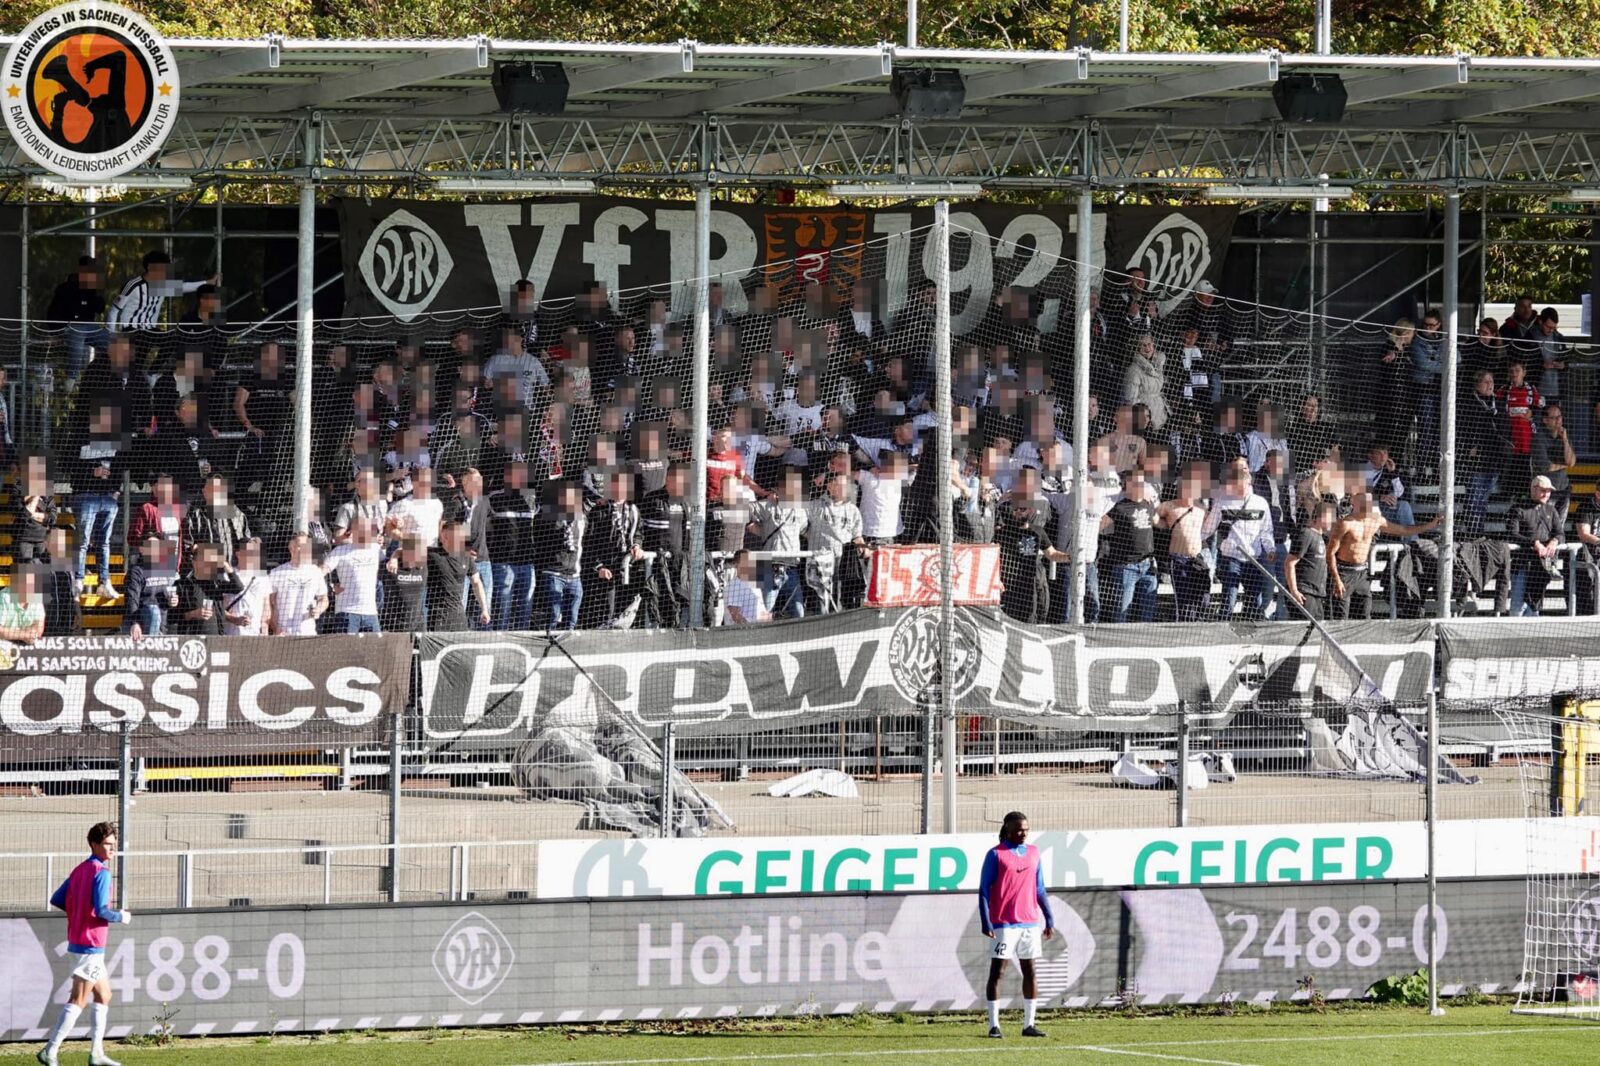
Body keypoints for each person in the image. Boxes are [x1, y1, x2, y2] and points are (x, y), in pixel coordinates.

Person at [38, 821, 130, 1066]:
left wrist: (77, 911)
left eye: (114, 844)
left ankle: (96, 1054)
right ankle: (50, 1050)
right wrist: (121, 915)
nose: (112, 849)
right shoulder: (102, 872)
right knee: (78, 1000)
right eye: (107, 844)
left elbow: (57, 898)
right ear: (94, 844)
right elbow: (102, 910)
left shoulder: (79, 870)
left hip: (81, 943)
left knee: (105, 995)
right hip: (89, 946)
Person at [978, 811, 1054, 1040]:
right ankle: (994, 1026)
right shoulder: (995, 855)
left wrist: (1049, 918)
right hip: (1004, 923)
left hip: (1029, 923)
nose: (1024, 833)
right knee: (998, 972)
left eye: (1027, 829)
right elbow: (983, 891)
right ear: (1008, 829)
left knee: (1030, 971)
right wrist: (986, 921)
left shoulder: (1033, 853)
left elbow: (1039, 888)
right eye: (1019, 829)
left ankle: (1029, 1024)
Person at [1327, 491, 1441, 620]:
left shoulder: (1375, 521)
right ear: (1355, 503)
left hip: (1362, 572)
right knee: (1341, 616)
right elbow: (1330, 553)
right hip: (1344, 572)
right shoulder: (1345, 523)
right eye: (1364, 502)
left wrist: (1430, 525)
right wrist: (1336, 579)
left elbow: (1403, 530)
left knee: (1364, 614)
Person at [1202, 459, 1276, 620]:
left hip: (1253, 559)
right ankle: (1224, 627)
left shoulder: (1260, 503)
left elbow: (1266, 530)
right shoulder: (1223, 502)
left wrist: (1270, 549)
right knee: (1229, 597)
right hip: (1231, 558)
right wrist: (1197, 541)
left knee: (1254, 599)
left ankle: (1249, 628)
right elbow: (1209, 527)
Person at [106, 249, 216, 333]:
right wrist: (111, 336)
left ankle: (156, 364)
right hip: (130, 330)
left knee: (170, 341)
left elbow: (184, 287)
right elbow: (114, 310)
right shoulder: (133, 285)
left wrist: (208, 282)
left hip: (149, 330)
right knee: (136, 354)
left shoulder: (161, 286)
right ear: (150, 267)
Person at [1099, 469, 1158, 624]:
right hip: (1126, 566)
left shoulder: (1149, 504)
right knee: (1121, 611)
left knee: (1147, 611)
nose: (1141, 485)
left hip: (1148, 565)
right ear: (1128, 485)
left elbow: (1159, 521)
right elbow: (1100, 525)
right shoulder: (1118, 507)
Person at [1157, 462, 1211, 622]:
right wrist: (1163, 524)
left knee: (1203, 598)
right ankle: (1185, 630)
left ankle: (1198, 626)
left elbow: (1210, 524)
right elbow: (1153, 516)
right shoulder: (1170, 506)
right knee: (1184, 602)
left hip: (1197, 559)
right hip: (1178, 559)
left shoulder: (1201, 508)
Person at [1458, 370, 1510, 538]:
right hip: (1475, 462)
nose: (1490, 385)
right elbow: (1463, 428)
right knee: (1474, 499)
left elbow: (1504, 427)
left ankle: (1479, 532)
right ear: (1477, 384)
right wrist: (1469, 446)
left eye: (1492, 381)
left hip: (1493, 459)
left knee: (1483, 500)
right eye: (1486, 382)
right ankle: (1473, 533)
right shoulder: (1468, 403)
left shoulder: (1498, 404)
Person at [533, 480, 587, 631]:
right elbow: (542, 538)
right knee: (554, 616)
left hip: (575, 575)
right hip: (554, 573)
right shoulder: (549, 516)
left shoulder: (582, 519)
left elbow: (586, 542)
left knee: (572, 617)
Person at [46, 255, 108, 385]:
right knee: (78, 334)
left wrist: (99, 298)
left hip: (90, 327)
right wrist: (54, 332)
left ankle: (106, 375)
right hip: (70, 326)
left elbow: (99, 309)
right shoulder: (65, 289)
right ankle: (71, 377)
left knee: (110, 340)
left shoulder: (92, 290)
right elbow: (53, 313)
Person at [1509, 475, 1564, 617]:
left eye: (1549, 491)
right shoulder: (1518, 508)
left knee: (1534, 609)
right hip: (1521, 564)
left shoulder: (1551, 510)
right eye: (1543, 490)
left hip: (1541, 567)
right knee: (1518, 608)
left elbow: (1560, 533)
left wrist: (1554, 541)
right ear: (1533, 489)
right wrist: (1534, 543)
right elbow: (1512, 534)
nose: (1546, 494)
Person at [428, 520, 491, 632]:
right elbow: (407, 549)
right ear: (445, 536)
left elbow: (476, 582)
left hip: (458, 615)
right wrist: (394, 557)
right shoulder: (432, 554)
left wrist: (484, 609)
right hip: (437, 616)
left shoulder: (466, 557)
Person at [170, 542, 244, 636]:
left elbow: (238, 587)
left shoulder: (216, 583)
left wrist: (226, 565)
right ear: (194, 563)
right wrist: (193, 614)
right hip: (192, 640)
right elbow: (172, 617)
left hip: (216, 639)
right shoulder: (182, 585)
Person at [322, 522, 383, 633]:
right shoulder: (340, 551)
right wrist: (330, 587)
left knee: (375, 648)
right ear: (352, 533)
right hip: (347, 612)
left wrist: (394, 558)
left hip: (371, 613)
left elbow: (400, 551)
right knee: (346, 648)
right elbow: (322, 571)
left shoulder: (376, 549)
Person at [269, 533, 329, 636]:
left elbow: (324, 598)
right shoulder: (276, 573)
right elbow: (269, 605)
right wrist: (276, 628)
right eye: (300, 546)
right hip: (283, 634)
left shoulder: (315, 572)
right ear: (291, 547)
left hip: (308, 633)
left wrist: (319, 609)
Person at [1285, 502, 1337, 620]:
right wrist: (1294, 591)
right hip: (1305, 592)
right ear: (1321, 516)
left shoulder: (1323, 538)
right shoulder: (1306, 534)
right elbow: (1289, 563)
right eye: (1330, 518)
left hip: (1318, 594)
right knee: (1303, 630)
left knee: (1316, 634)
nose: (1332, 522)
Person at [1529, 403, 1577, 530]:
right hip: (1546, 490)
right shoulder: (1538, 438)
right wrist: (1564, 465)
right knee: (1545, 526)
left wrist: (1565, 440)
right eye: (1554, 417)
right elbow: (1546, 466)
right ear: (1545, 420)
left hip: (1563, 488)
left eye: (1559, 417)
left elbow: (1571, 462)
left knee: (1559, 527)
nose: (1558, 420)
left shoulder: (1564, 436)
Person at [121, 536, 178, 640]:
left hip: (162, 626)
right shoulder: (136, 572)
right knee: (153, 610)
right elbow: (131, 599)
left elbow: (169, 598)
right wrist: (135, 623)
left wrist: (173, 601)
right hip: (140, 624)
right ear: (142, 550)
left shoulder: (166, 570)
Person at [0, 560, 46, 645]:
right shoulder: (3, 597)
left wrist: (30, 633)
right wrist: (24, 635)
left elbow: (39, 627)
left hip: (28, 649)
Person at [723, 549, 769, 624]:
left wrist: (771, 618)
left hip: (759, 630)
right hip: (741, 632)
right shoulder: (733, 586)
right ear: (735, 564)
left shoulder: (755, 584)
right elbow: (735, 615)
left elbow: (762, 610)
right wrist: (750, 629)